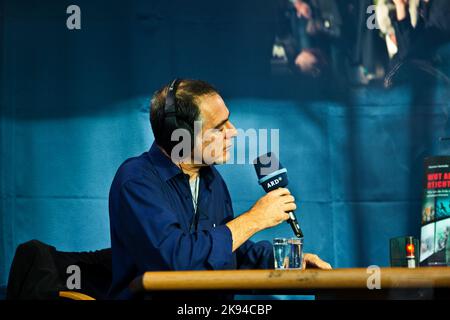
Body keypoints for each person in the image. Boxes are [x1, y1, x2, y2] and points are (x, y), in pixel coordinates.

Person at [108, 79, 331, 299]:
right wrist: (255, 219)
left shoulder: (211, 180)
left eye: (228, 121)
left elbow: (227, 253)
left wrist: (288, 263)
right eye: (218, 127)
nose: (233, 132)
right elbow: (177, 262)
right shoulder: (136, 180)